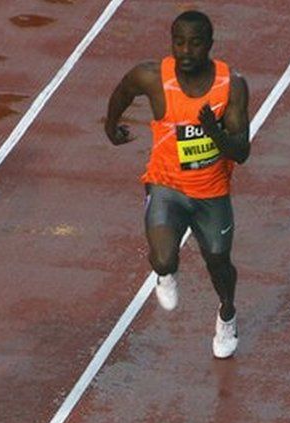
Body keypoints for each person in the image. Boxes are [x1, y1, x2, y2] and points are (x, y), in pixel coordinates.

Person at [104, 10, 250, 359]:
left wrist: (214, 132)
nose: (186, 51)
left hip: (211, 193)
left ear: (210, 46)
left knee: (218, 262)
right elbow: (124, 90)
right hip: (166, 185)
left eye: (195, 43)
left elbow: (241, 151)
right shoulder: (153, 77)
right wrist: (111, 125)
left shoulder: (230, 85)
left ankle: (227, 314)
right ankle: (166, 274)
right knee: (164, 259)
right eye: (179, 42)